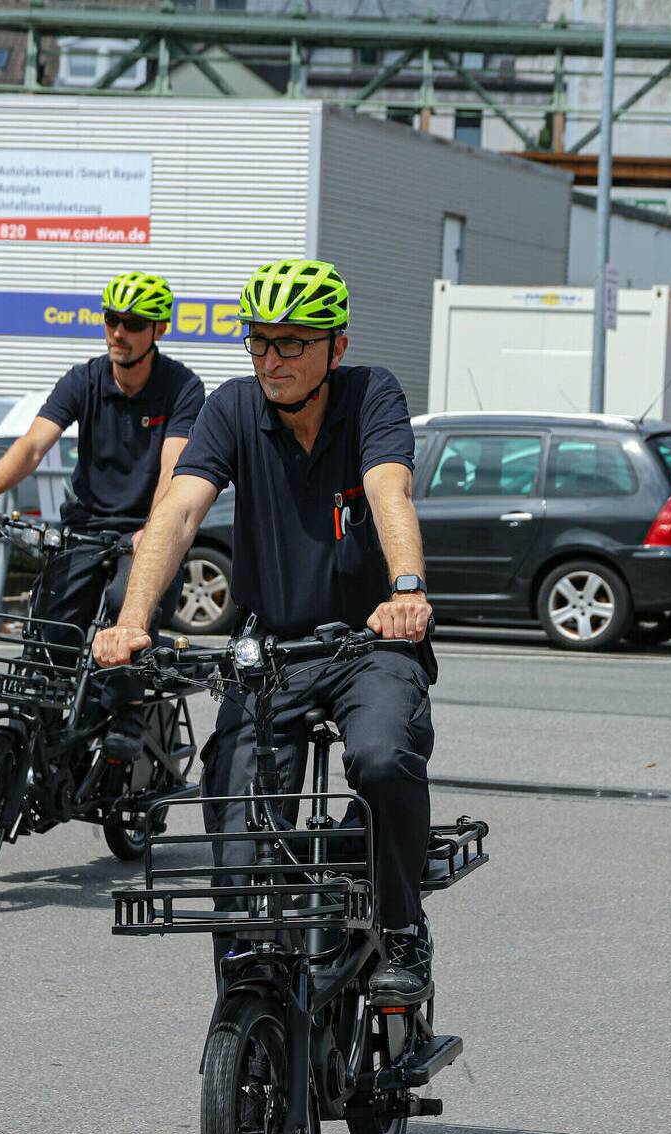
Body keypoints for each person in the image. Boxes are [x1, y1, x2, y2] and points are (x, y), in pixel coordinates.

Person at [91, 258, 439, 1005]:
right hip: (273, 653)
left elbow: (389, 490)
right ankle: (248, 995)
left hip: (368, 644)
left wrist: (405, 589)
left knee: (381, 755)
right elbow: (179, 512)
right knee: (236, 821)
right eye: (259, 343)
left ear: (333, 348)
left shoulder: (373, 393)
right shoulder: (231, 408)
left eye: (291, 344)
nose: (272, 360)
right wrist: (130, 619)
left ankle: (403, 924)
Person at [0, 272, 205, 758]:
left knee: (124, 602)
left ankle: (128, 713)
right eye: (112, 319)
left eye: (133, 323)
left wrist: (153, 529)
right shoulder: (83, 379)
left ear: (159, 330)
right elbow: (30, 447)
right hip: (85, 528)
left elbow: (173, 468)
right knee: (51, 622)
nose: (118, 332)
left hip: (146, 532)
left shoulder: (182, 387)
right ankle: (43, 732)